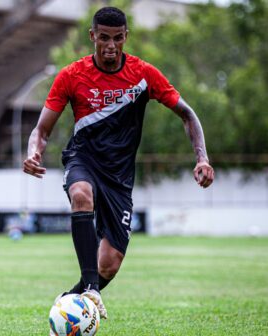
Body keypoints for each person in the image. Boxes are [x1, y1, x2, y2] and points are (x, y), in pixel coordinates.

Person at [23, 7, 214, 319]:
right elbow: (42, 130)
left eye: (117, 38)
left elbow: (187, 114)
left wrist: (202, 158)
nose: (110, 45)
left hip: (120, 178)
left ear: (126, 37)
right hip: (82, 159)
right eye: (103, 38)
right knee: (81, 194)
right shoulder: (72, 75)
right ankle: (91, 289)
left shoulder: (143, 75)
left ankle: (70, 301)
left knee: (109, 264)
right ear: (92, 36)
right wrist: (34, 152)